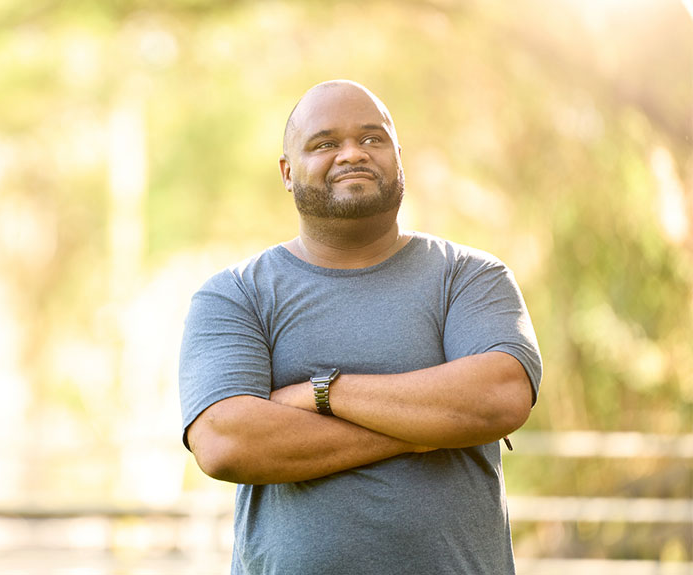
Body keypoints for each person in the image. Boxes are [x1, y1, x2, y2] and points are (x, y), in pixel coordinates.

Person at [178, 79, 542, 574]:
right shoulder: (236, 294)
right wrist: (424, 430)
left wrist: (320, 393)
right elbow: (226, 443)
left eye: (373, 138)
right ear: (287, 173)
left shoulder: (469, 276)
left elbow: (499, 398)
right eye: (325, 143)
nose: (352, 153)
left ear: (398, 157)